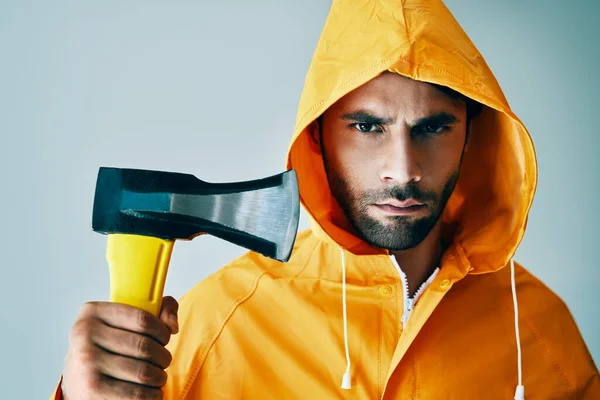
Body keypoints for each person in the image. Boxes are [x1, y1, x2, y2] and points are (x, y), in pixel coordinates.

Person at [52, 0, 600, 399]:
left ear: (473, 136)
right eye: (367, 127)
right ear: (317, 137)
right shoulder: (214, 325)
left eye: (433, 128)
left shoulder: (542, 332)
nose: (402, 171)